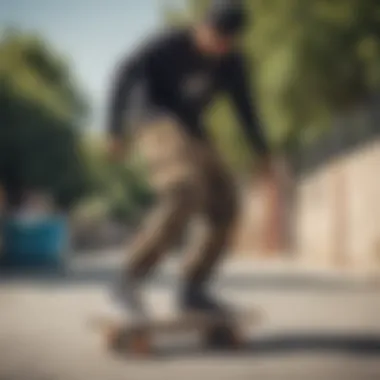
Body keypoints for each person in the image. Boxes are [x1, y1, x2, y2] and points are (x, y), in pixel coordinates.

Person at [107, 0, 275, 321]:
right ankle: (128, 279)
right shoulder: (168, 42)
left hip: (192, 128)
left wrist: (262, 153)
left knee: (227, 203)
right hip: (151, 117)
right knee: (184, 189)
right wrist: (114, 129)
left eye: (227, 43)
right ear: (201, 26)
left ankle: (192, 289)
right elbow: (125, 71)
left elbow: (246, 108)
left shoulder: (232, 62)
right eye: (214, 37)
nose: (218, 48)